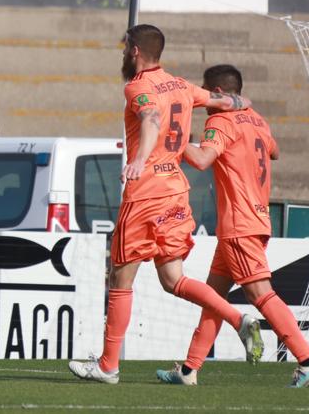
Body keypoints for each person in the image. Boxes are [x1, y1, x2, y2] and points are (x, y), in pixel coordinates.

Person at [69, 24, 264, 385]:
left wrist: (140, 159)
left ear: (134, 51)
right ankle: (239, 319)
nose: (123, 53)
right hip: (176, 191)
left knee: (120, 277)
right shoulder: (182, 86)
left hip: (145, 195)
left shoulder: (137, 87)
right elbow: (232, 102)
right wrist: (242, 105)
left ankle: (109, 366)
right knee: (173, 279)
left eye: (125, 48)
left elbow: (150, 120)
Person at [156, 64, 309, 389]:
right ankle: (190, 370)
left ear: (219, 93)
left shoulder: (220, 120)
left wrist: (174, 142)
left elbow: (203, 160)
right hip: (254, 218)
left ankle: (308, 359)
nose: (205, 100)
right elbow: (274, 152)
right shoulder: (257, 118)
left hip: (240, 222)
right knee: (215, 297)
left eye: (207, 92)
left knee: (260, 293)